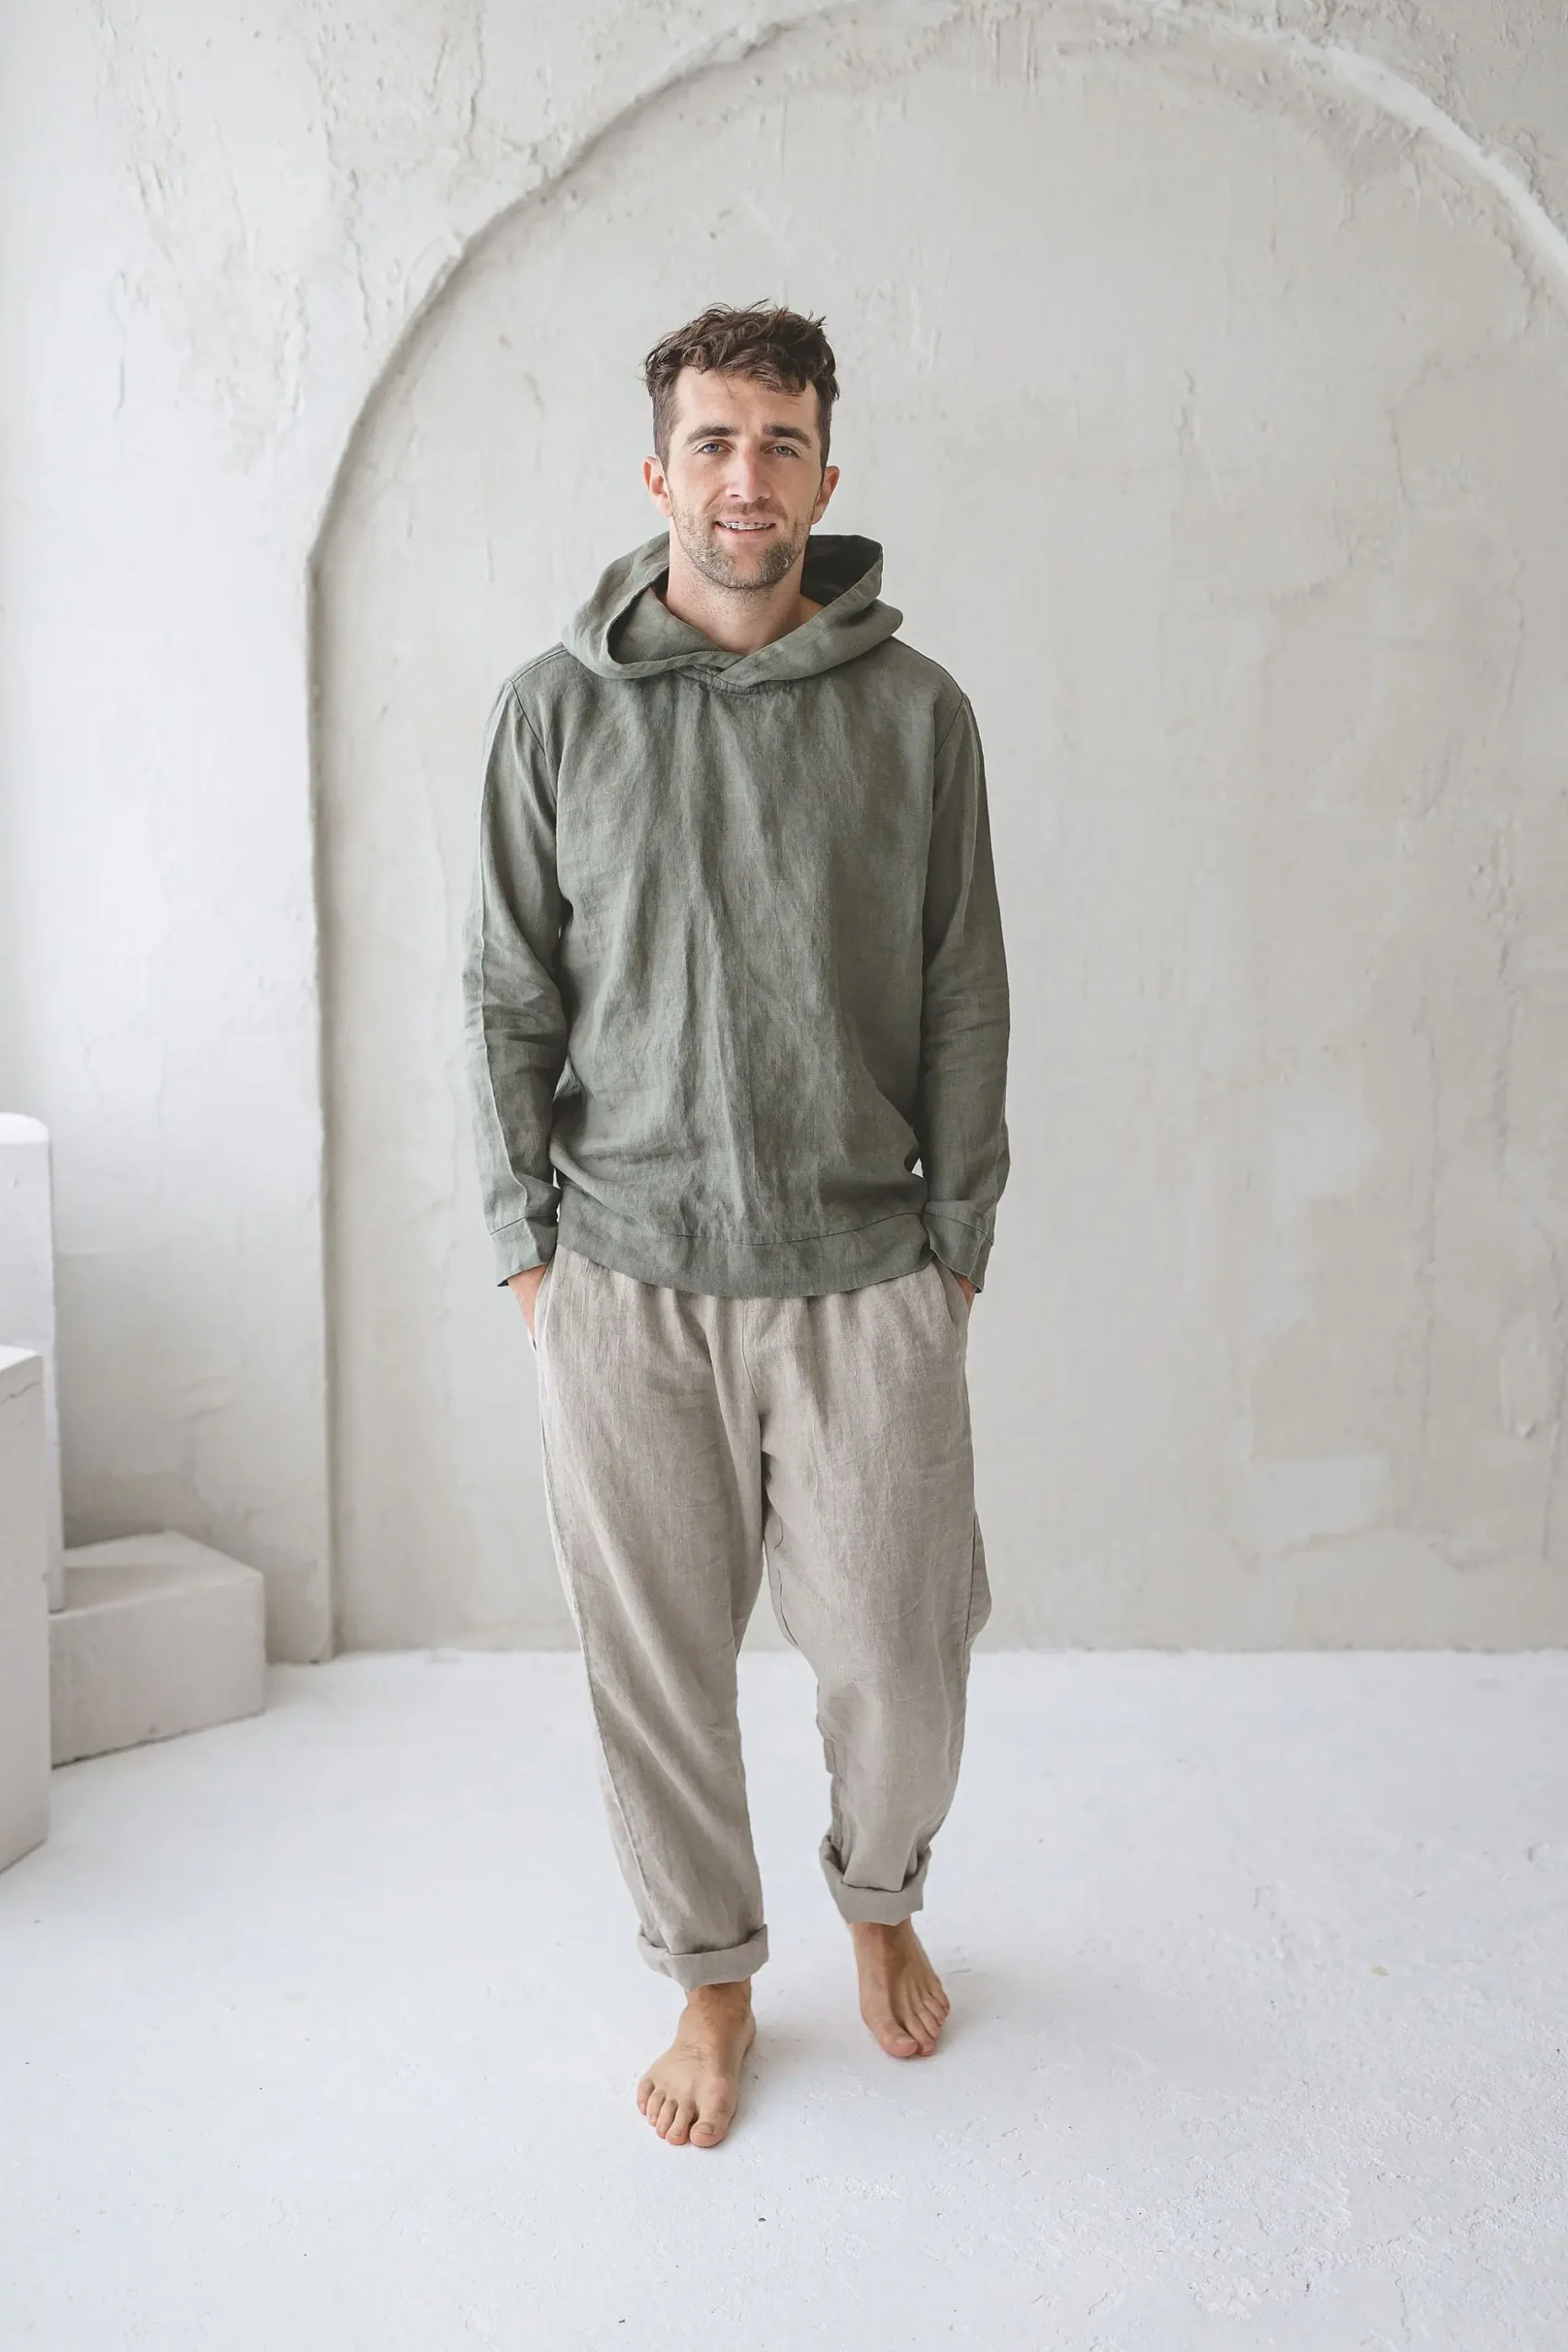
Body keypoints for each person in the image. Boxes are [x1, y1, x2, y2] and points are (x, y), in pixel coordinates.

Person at [461, 300, 1010, 2151]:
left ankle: (881, 1895)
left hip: (866, 1274)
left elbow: (963, 993)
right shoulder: (552, 712)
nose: (745, 477)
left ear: (825, 476)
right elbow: (503, 995)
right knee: (656, 1674)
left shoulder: (919, 716)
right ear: (658, 473)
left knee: (904, 1659)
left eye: (780, 443)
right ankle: (709, 1976)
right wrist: (526, 1249)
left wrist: (956, 1244)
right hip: (625, 1277)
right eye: (712, 442)